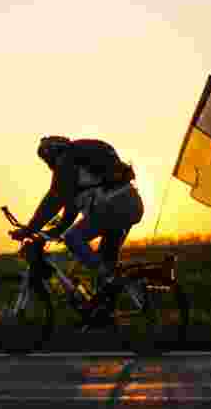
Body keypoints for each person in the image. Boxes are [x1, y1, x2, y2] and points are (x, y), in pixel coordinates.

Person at [9, 135, 145, 315]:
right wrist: (55, 230)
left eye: (46, 159)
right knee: (104, 265)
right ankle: (105, 313)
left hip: (114, 206)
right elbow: (70, 211)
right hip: (130, 204)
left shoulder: (66, 161)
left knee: (73, 238)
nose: (48, 165)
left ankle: (113, 282)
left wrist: (30, 229)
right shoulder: (82, 168)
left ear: (51, 154)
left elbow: (54, 199)